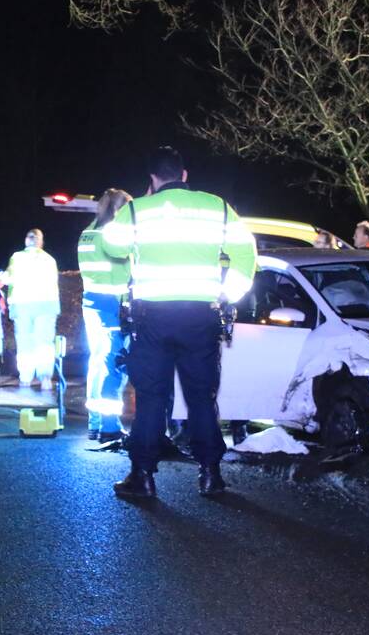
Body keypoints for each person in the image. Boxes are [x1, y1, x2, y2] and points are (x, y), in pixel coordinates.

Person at [102, 146, 257, 498]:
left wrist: (138, 208)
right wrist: (226, 295)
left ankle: (142, 476)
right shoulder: (217, 207)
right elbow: (247, 253)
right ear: (184, 175)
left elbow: (111, 246)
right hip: (200, 316)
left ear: (152, 179)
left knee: (152, 396)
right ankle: (210, 474)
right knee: (201, 397)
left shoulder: (138, 210)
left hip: (152, 318)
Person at [78, 189, 132, 441]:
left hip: (91, 302)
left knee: (97, 360)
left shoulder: (88, 232)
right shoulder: (112, 235)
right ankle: (109, 426)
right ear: (119, 210)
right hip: (112, 304)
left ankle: (96, 422)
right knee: (114, 362)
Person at [0, 229, 60, 389]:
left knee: (25, 342)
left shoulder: (17, 257)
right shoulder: (49, 259)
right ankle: (45, 378)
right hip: (45, 306)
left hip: (23, 305)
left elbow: (9, 278)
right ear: (41, 242)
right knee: (44, 343)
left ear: (27, 240)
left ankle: (25, 377)